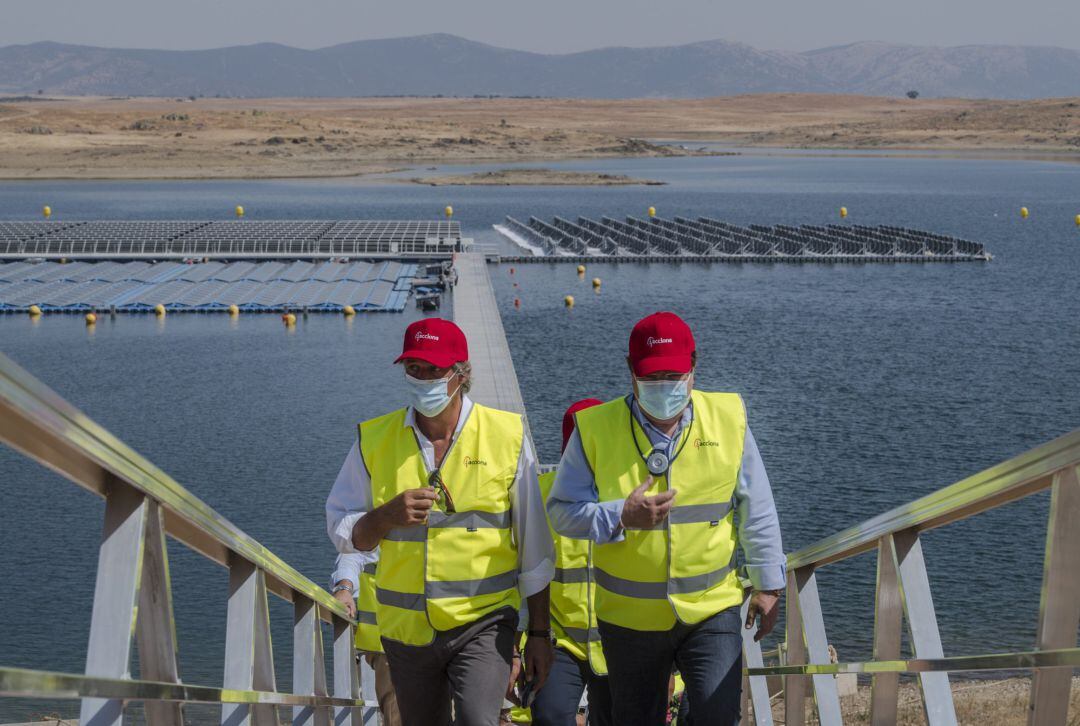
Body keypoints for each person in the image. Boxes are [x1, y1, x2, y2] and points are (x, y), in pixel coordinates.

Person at [546, 311, 786, 726]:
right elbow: (561, 513)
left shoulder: (729, 419)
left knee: (717, 714)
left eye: (673, 375)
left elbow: (756, 506)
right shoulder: (594, 429)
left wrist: (768, 584)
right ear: (630, 371)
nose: (663, 388)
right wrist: (619, 515)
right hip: (628, 617)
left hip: (710, 608)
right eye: (651, 377)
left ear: (694, 368)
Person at [326, 317, 555, 726]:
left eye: (436, 370)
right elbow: (345, 533)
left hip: (484, 622)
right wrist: (384, 516)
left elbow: (534, 551)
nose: (425, 379)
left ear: (461, 373)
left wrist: (538, 634)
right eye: (415, 369)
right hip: (406, 631)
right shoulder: (374, 439)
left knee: (476, 719)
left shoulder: (507, 436)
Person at [527, 398, 613, 726]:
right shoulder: (539, 496)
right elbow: (519, 571)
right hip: (559, 641)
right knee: (550, 717)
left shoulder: (630, 495)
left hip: (619, 640)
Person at [331, 553, 402, 726]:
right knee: (398, 713)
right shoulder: (377, 528)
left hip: (444, 634)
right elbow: (352, 553)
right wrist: (344, 589)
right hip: (388, 642)